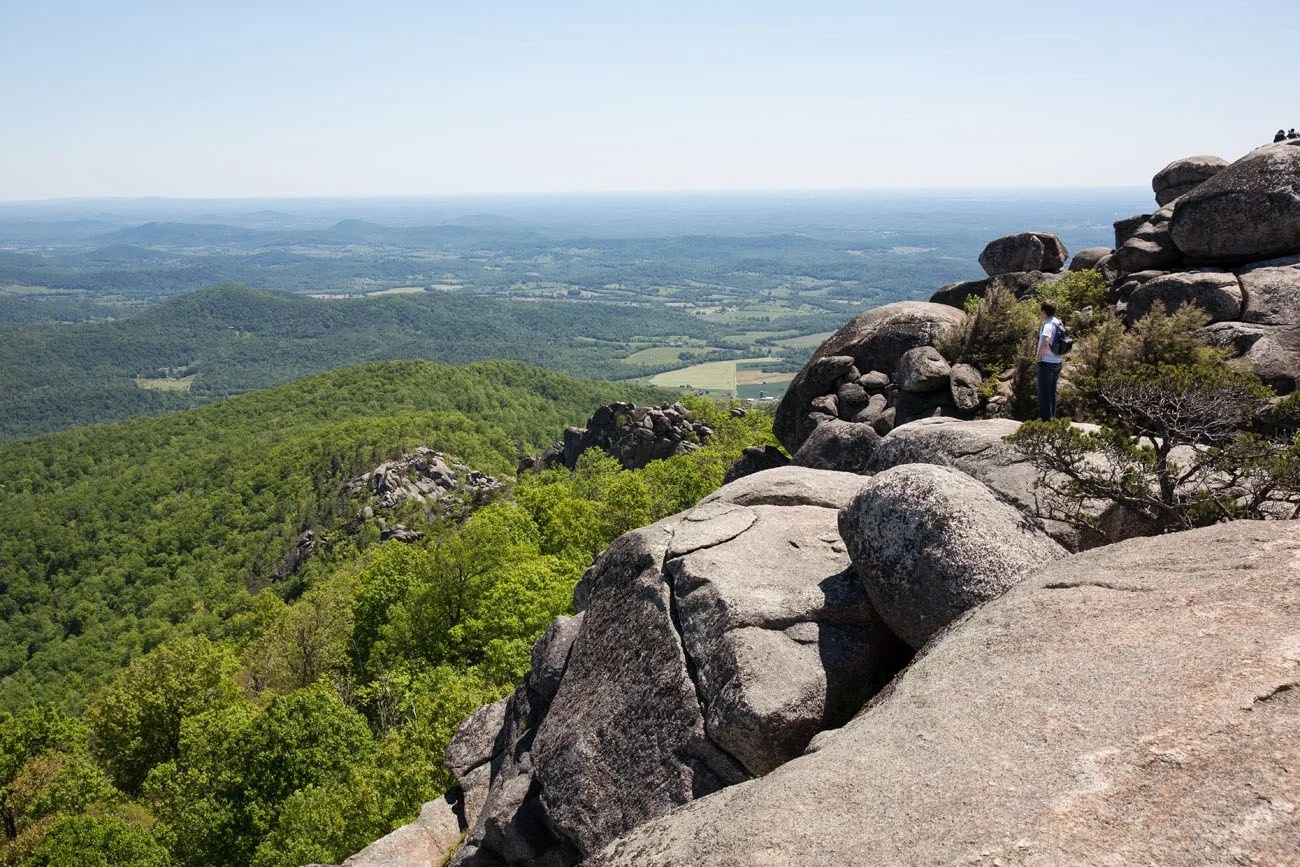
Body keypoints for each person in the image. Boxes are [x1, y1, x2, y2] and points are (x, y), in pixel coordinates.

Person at [1036, 301, 1064, 421]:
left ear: (1044, 311)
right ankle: (1052, 418)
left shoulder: (1047, 325)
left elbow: (1046, 341)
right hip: (1057, 361)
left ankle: (1045, 421)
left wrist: (1039, 356)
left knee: (1044, 393)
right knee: (1052, 392)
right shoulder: (1059, 322)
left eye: (1041, 311)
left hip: (1046, 362)